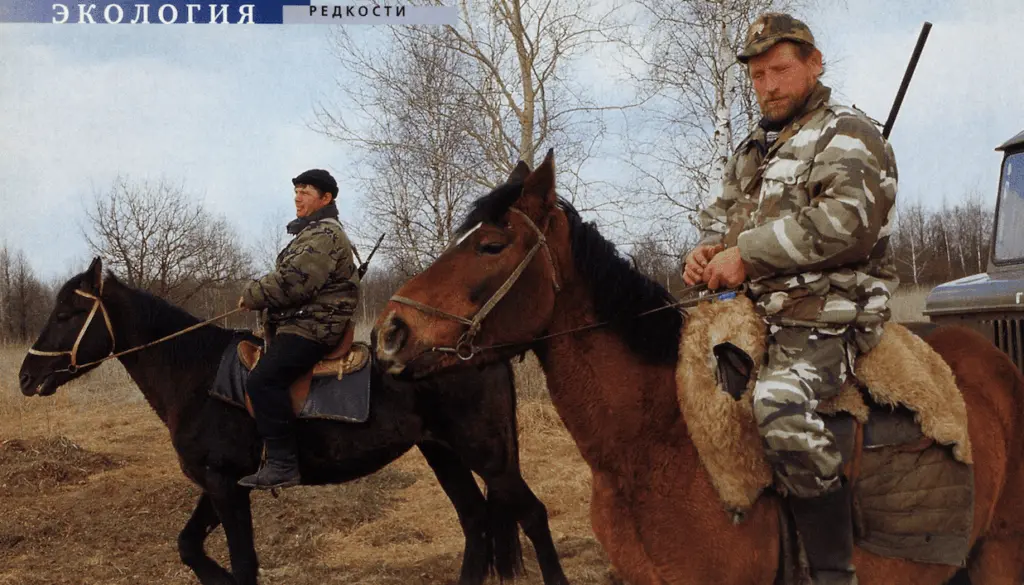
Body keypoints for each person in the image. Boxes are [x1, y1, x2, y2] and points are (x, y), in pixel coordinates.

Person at [683, 13, 898, 585]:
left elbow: (848, 222)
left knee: (777, 407)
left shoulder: (848, 133)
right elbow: (720, 217)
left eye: (780, 69)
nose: (768, 85)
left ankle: (832, 566)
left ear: (813, 62)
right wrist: (705, 252)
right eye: (756, 75)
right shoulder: (753, 147)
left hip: (829, 309)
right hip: (753, 310)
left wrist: (746, 254)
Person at [236, 168, 360, 489]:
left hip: (314, 327)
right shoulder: (311, 232)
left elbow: (295, 283)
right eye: (296, 192)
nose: (297, 197)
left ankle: (282, 465)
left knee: (263, 381)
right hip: (303, 323)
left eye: (305, 192)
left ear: (326, 198)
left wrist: (253, 295)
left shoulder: (324, 234)